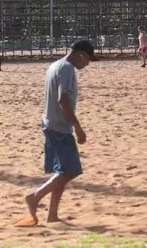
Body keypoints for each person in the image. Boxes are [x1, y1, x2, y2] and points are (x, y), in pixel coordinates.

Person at [15, 40, 98, 227]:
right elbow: (62, 100)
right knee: (72, 170)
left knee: (62, 172)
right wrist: (77, 126)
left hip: (50, 123)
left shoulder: (55, 65)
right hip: (59, 127)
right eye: (88, 60)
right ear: (80, 55)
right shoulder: (67, 68)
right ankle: (35, 197)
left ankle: (52, 215)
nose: (87, 64)